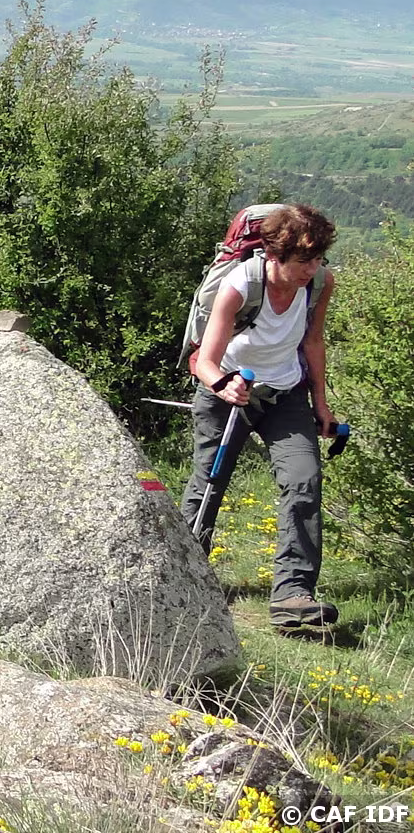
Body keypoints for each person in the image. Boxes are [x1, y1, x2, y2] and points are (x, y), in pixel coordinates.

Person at [179, 203, 340, 634]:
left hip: (285, 393)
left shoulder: (319, 283)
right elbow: (205, 360)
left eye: (318, 258)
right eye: (303, 260)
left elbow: (313, 342)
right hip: (228, 392)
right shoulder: (239, 285)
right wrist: (224, 385)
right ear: (274, 254)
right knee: (209, 483)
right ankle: (183, 576)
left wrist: (321, 404)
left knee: (304, 479)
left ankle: (292, 595)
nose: (312, 269)